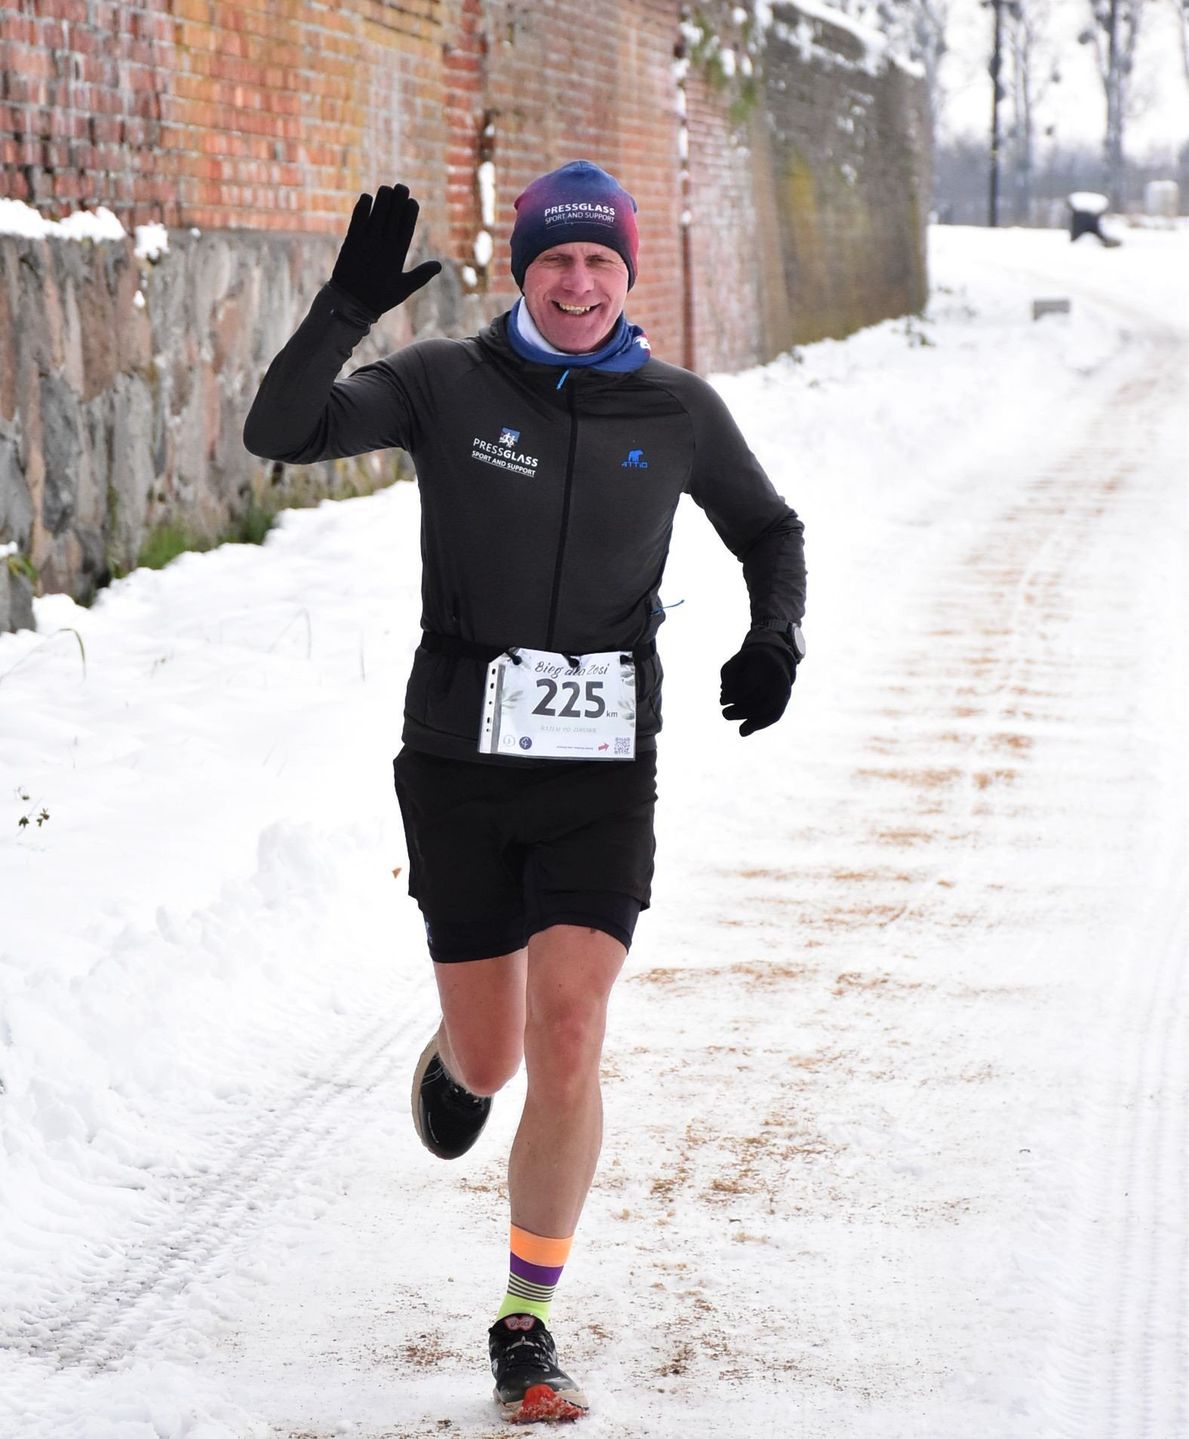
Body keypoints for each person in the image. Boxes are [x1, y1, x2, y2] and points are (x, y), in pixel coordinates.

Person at [243, 160, 806, 1423]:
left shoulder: (676, 409)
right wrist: (342, 312)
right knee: (495, 1052)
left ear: (627, 275)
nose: (578, 279)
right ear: (522, 269)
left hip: (603, 770)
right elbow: (279, 434)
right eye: (555, 258)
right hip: (457, 762)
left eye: (600, 260)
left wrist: (775, 636)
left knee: (569, 1030)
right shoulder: (448, 382)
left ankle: (525, 1320)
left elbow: (771, 530)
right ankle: (453, 1056)